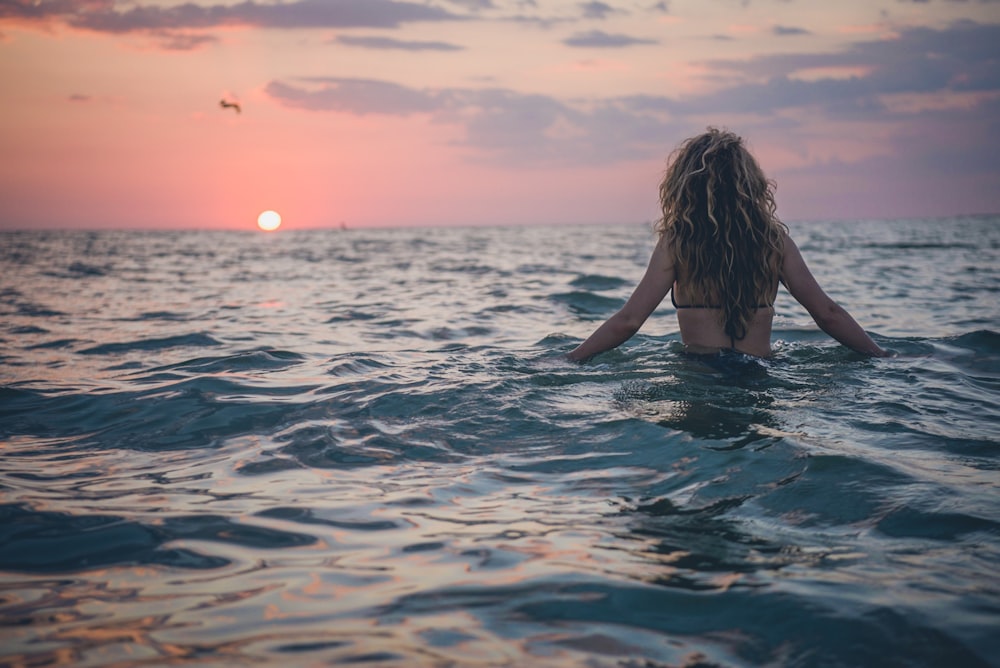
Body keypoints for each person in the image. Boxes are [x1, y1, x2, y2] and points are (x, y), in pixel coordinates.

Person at [568, 127, 888, 362]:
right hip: (760, 373)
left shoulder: (678, 243)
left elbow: (629, 320)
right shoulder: (775, 243)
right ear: (751, 184)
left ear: (684, 185)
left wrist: (572, 359)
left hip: (700, 374)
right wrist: (881, 355)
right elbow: (828, 313)